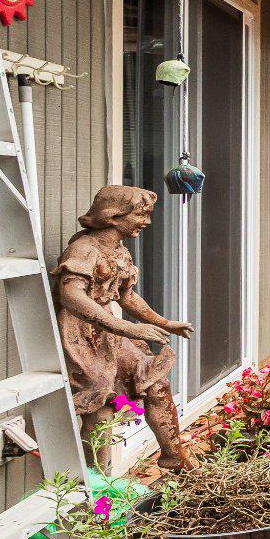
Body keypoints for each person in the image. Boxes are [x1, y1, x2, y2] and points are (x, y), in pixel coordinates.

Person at [53, 185, 198, 469]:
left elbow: (126, 295)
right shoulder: (83, 249)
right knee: (100, 409)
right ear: (113, 216)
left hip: (109, 332)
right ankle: (98, 483)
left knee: (156, 383)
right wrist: (128, 329)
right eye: (141, 215)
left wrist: (163, 322)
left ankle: (173, 457)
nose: (147, 222)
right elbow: (71, 295)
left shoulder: (119, 251)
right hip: (81, 335)